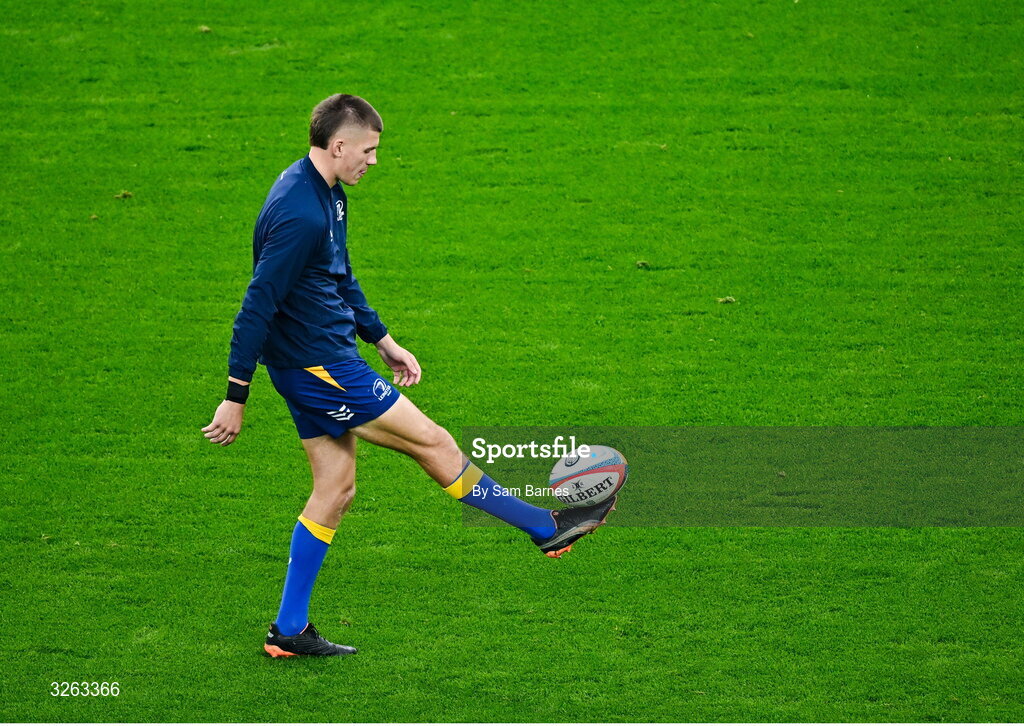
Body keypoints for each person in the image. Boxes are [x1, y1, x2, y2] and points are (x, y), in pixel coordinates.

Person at [201, 94, 616, 658]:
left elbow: (339, 277)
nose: (373, 161)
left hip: (317, 359)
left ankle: (289, 631)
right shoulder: (299, 211)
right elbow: (257, 302)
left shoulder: (328, 194)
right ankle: (546, 529)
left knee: (335, 490)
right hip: (318, 367)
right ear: (338, 144)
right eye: (368, 151)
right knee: (433, 442)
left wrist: (384, 340)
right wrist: (235, 395)